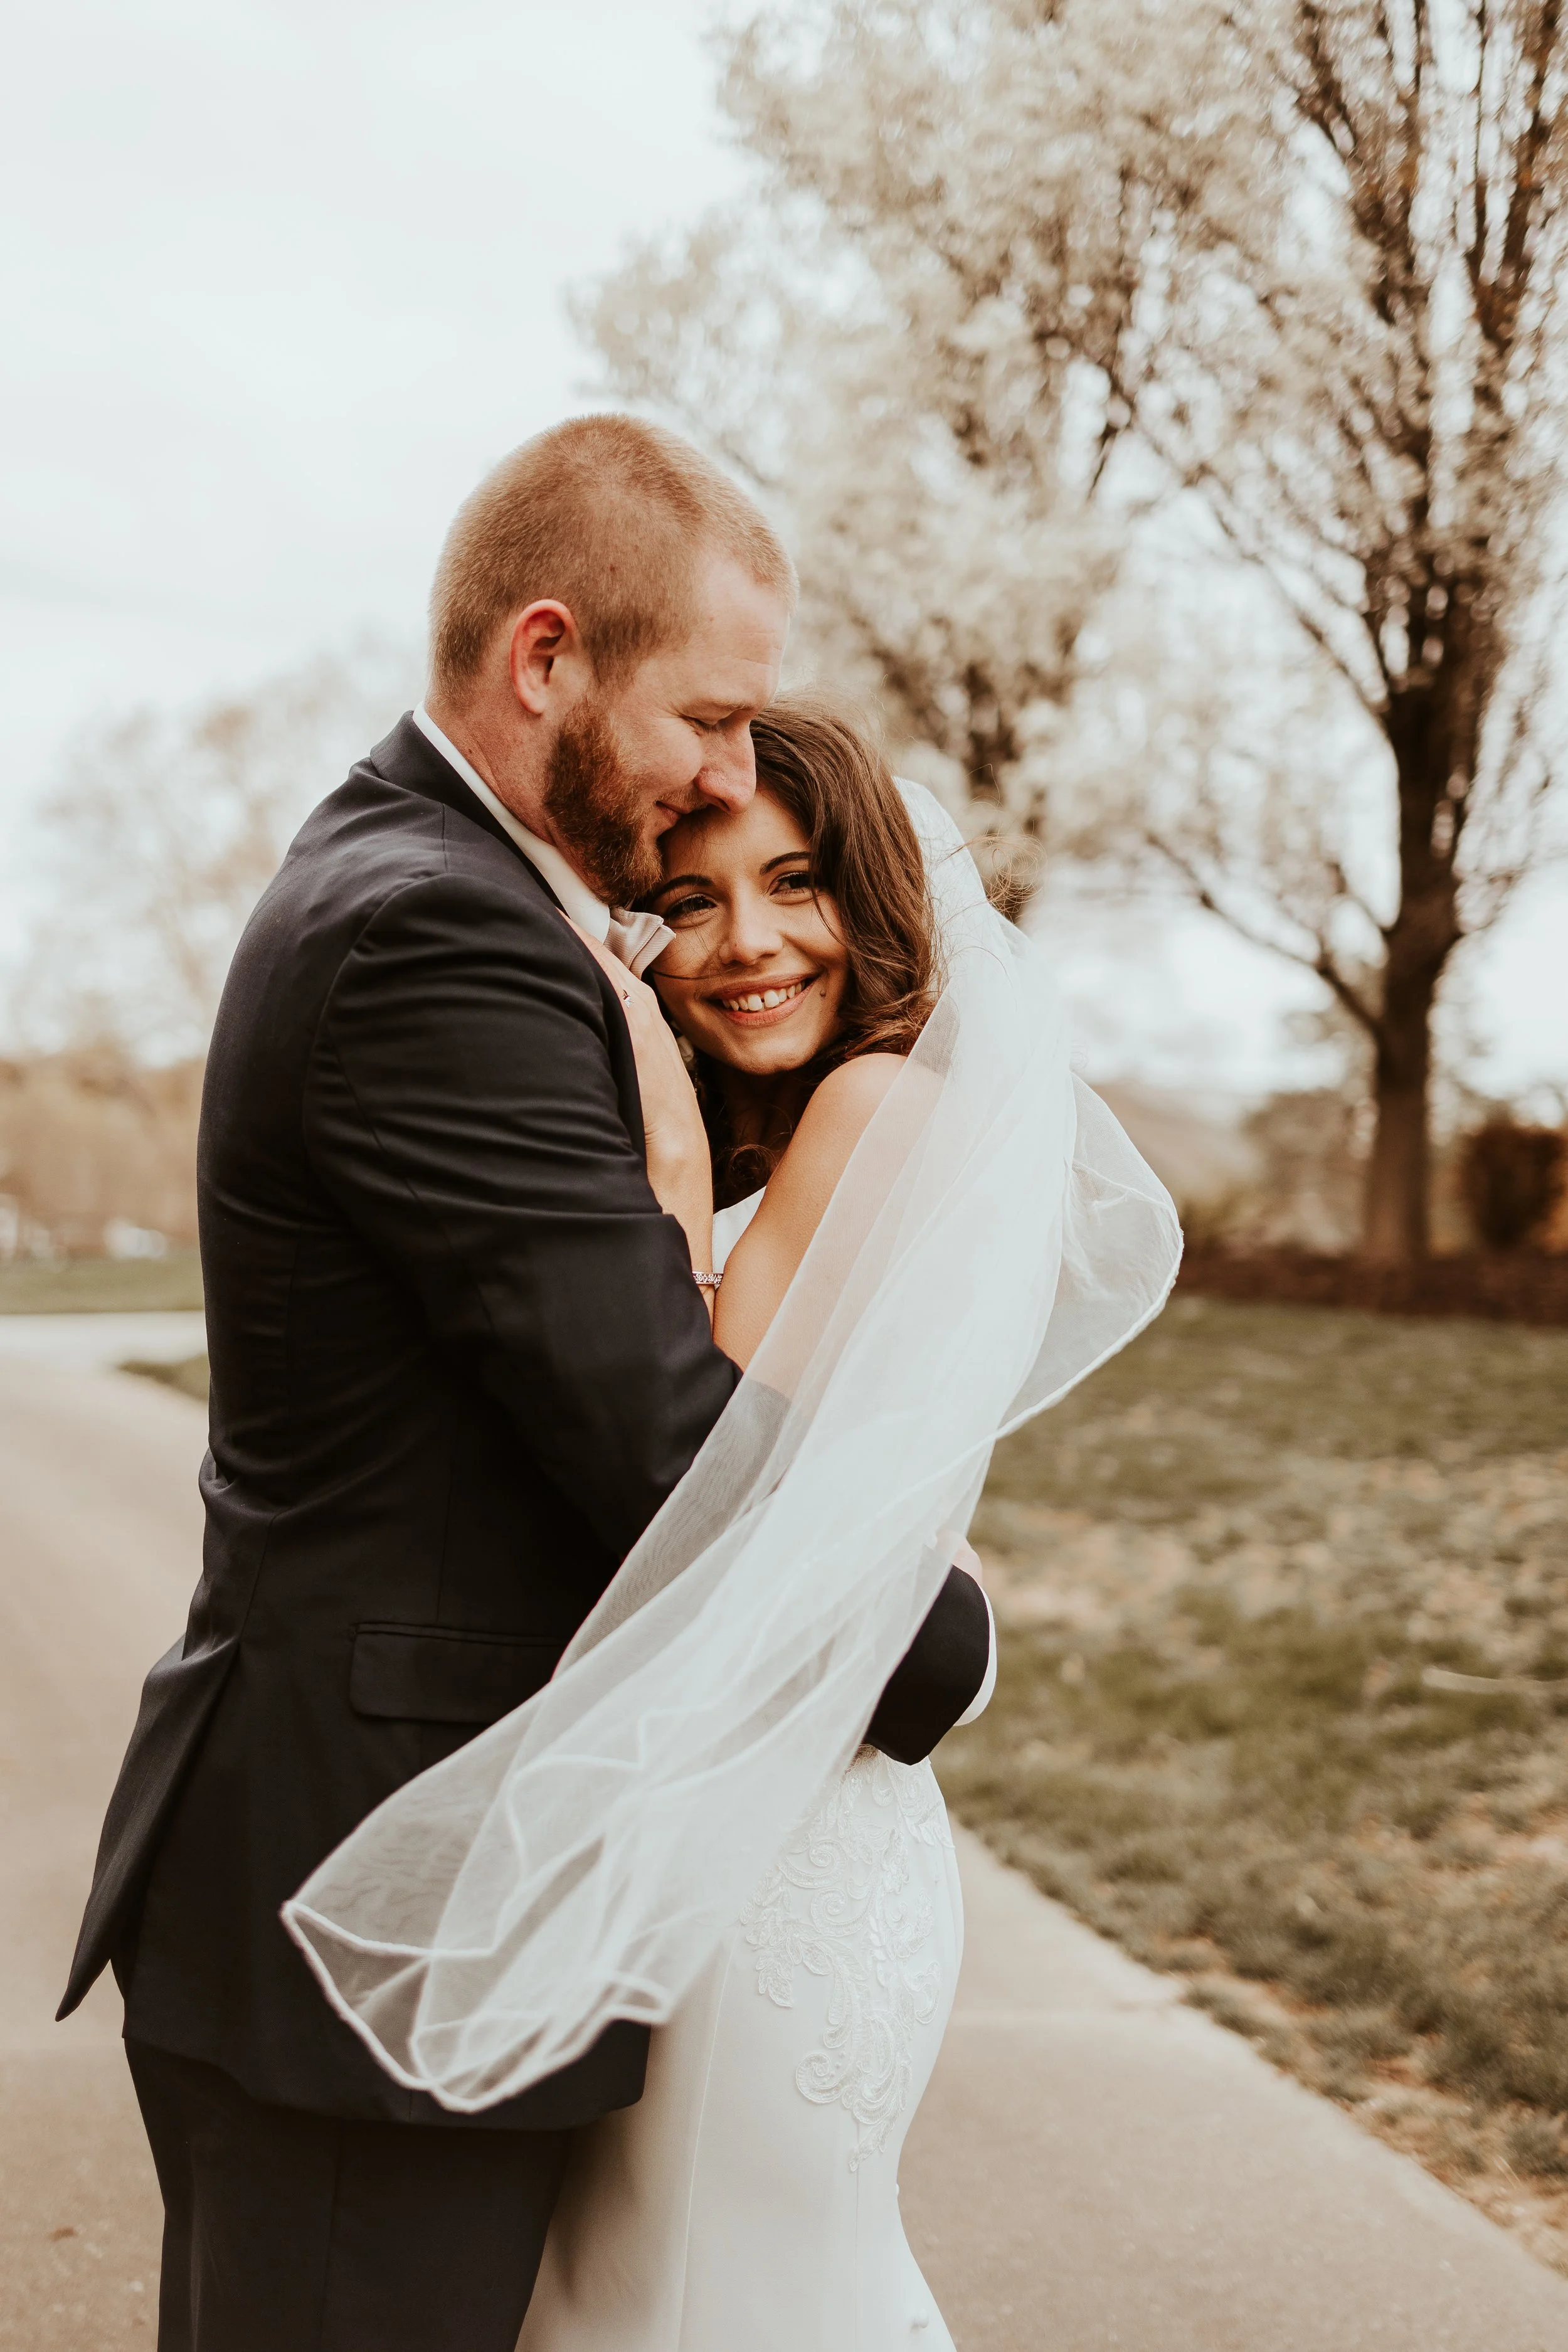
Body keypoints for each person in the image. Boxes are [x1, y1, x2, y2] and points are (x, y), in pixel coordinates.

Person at [56, 417, 993, 2352]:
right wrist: (941, 1650)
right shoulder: (431, 932)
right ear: (546, 656)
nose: (735, 771)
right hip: (368, 1925)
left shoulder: (458, 902)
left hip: (425, 1903)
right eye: (715, 721)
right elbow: (655, 1431)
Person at [519, 695, 995, 2351]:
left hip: (780, 1857)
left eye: (793, 884)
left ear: (870, 899)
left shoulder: (876, 1106)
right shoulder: (807, 1133)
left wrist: (641, 1105)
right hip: (726, 1821)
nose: (745, 942)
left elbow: (693, 1453)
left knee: (720, 2295)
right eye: (691, 900)